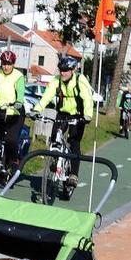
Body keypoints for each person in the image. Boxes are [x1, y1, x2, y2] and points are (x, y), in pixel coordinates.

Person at [30, 56, 93, 187]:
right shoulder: (56, 81)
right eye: (61, 70)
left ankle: (73, 174)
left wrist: (87, 115)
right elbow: (47, 96)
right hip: (63, 113)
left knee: (74, 142)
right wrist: (36, 110)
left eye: (65, 70)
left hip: (78, 115)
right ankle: (55, 160)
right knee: (54, 136)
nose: (62, 73)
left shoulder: (80, 80)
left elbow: (87, 98)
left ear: (73, 70)